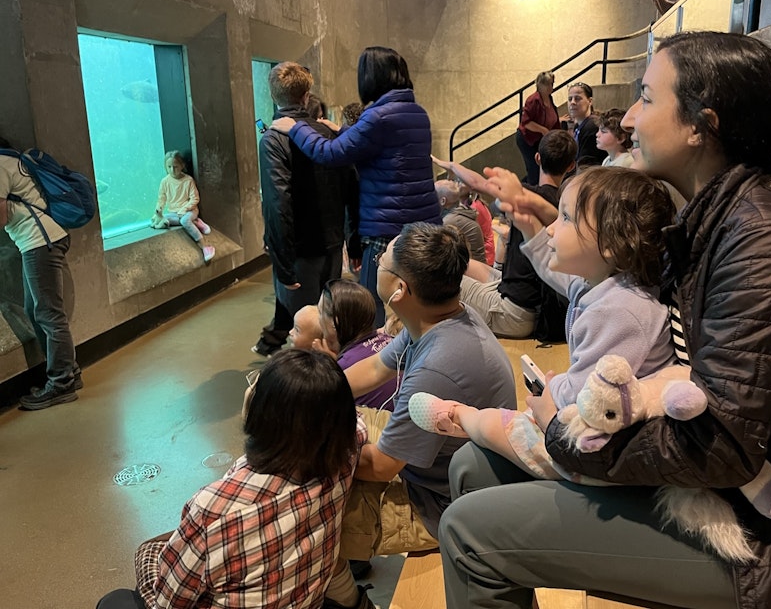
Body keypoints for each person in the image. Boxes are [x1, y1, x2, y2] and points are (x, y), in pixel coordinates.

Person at [438, 31, 771, 609]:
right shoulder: (717, 217)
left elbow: (724, 447)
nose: (631, 118)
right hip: (715, 489)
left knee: (469, 534)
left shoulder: (768, 239)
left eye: (646, 97)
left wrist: (567, 432)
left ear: (700, 125)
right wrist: (543, 214)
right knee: (473, 466)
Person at [409, 166, 676, 474]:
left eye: (566, 218)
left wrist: (549, 391)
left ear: (610, 243)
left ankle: (461, 417)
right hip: (601, 423)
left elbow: (585, 393)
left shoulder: (621, 311)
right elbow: (556, 275)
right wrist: (529, 227)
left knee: (501, 423)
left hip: (605, 447)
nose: (551, 229)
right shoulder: (607, 285)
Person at [322, 222, 516, 606]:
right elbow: (377, 367)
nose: (377, 259)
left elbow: (380, 467)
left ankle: (346, 598)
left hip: (441, 501)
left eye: (384, 259)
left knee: (311, 516)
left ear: (400, 290)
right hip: (429, 469)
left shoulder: (436, 368)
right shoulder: (438, 316)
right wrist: (311, 396)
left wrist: (312, 448)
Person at [95, 349, 373, 609]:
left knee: (123, 587)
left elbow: (170, 603)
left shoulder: (214, 507)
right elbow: (355, 423)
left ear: (258, 412)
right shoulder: (344, 458)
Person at [271, 46, 441, 328]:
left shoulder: (378, 117)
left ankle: (382, 366)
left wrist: (296, 128)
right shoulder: (415, 112)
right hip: (423, 224)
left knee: (376, 306)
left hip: (387, 228)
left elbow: (331, 154)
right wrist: (341, 130)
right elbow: (378, 145)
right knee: (414, 304)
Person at [252, 62, 360, 357]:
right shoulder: (329, 132)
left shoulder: (274, 138)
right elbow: (352, 187)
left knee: (303, 336)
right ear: (306, 95)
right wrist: (354, 242)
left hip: (300, 252)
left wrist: (283, 262)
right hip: (333, 247)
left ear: (273, 97)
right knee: (330, 329)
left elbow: (278, 203)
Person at [433, 130, 576, 340]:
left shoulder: (525, 196)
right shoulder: (565, 205)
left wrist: (452, 165)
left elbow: (478, 183)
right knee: (466, 265)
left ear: (537, 158)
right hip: (526, 298)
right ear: (571, 166)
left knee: (432, 277)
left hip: (517, 313)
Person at [1, 136, 82, 410]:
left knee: (48, 313)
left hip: (39, 242)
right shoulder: (11, 160)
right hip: (41, 240)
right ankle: (69, 372)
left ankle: (61, 383)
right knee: (36, 309)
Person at [289, 279, 400, 412]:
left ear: (335, 323)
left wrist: (327, 368)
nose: (318, 319)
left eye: (320, 312)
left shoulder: (345, 366)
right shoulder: (390, 340)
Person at [152, 151, 214, 263]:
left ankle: (204, 246)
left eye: (175, 166)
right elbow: (161, 199)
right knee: (159, 220)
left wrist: (184, 209)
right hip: (174, 213)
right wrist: (159, 209)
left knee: (185, 221)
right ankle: (196, 222)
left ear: (182, 166)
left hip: (190, 210)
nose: (172, 170)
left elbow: (195, 198)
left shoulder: (188, 180)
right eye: (169, 167)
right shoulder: (165, 181)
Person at [516, 71, 559, 185]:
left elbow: (551, 117)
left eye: (552, 84)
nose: (552, 87)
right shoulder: (533, 100)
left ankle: (525, 186)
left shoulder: (549, 98)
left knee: (540, 167)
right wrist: (543, 130)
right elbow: (526, 122)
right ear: (541, 85)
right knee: (534, 168)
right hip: (527, 139)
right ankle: (529, 191)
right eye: (549, 84)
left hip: (539, 139)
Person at [435, 179, 486, 264]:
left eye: (432, 194)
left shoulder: (449, 221)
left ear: (443, 201)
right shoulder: (459, 212)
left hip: (471, 271)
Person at [561, 83, 607, 167]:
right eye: (570, 99)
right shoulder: (578, 126)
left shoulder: (592, 126)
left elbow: (585, 166)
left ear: (590, 101)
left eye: (577, 98)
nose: (572, 102)